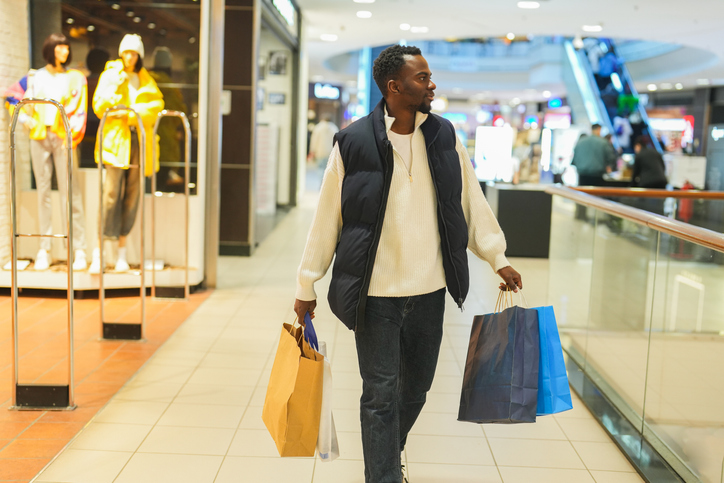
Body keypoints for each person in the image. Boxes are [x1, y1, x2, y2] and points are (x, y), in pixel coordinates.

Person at [293, 45, 521, 483]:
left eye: (430, 76)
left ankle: (387, 450)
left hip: (430, 289)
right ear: (394, 87)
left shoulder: (444, 135)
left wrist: (497, 257)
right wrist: (307, 284)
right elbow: (326, 219)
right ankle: (383, 475)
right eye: (422, 78)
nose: (431, 84)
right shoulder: (353, 142)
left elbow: (470, 203)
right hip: (375, 294)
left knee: (416, 387)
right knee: (379, 394)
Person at [5, 33, 89, 270]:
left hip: (63, 138)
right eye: (59, 47)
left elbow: (79, 108)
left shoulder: (73, 78)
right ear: (50, 48)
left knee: (70, 192)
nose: (63, 51)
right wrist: (25, 121)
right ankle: (45, 248)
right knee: (43, 192)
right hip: (40, 136)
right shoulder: (35, 76)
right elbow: (12, 96)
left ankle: (78, 248)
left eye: (66, 47)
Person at [90, 34, 164, 273]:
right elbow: (100, 106)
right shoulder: (110, 76)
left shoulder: (146, 80)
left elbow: (156, 107)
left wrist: (130, 114)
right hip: (116, 142)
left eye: (135, 53)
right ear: (121, 53)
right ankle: (100, 251)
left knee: (132, 196)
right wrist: (114, 88)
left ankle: (121, 252)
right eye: (127, 52)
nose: (130, 57)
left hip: (139, 141)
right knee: (110, 194)